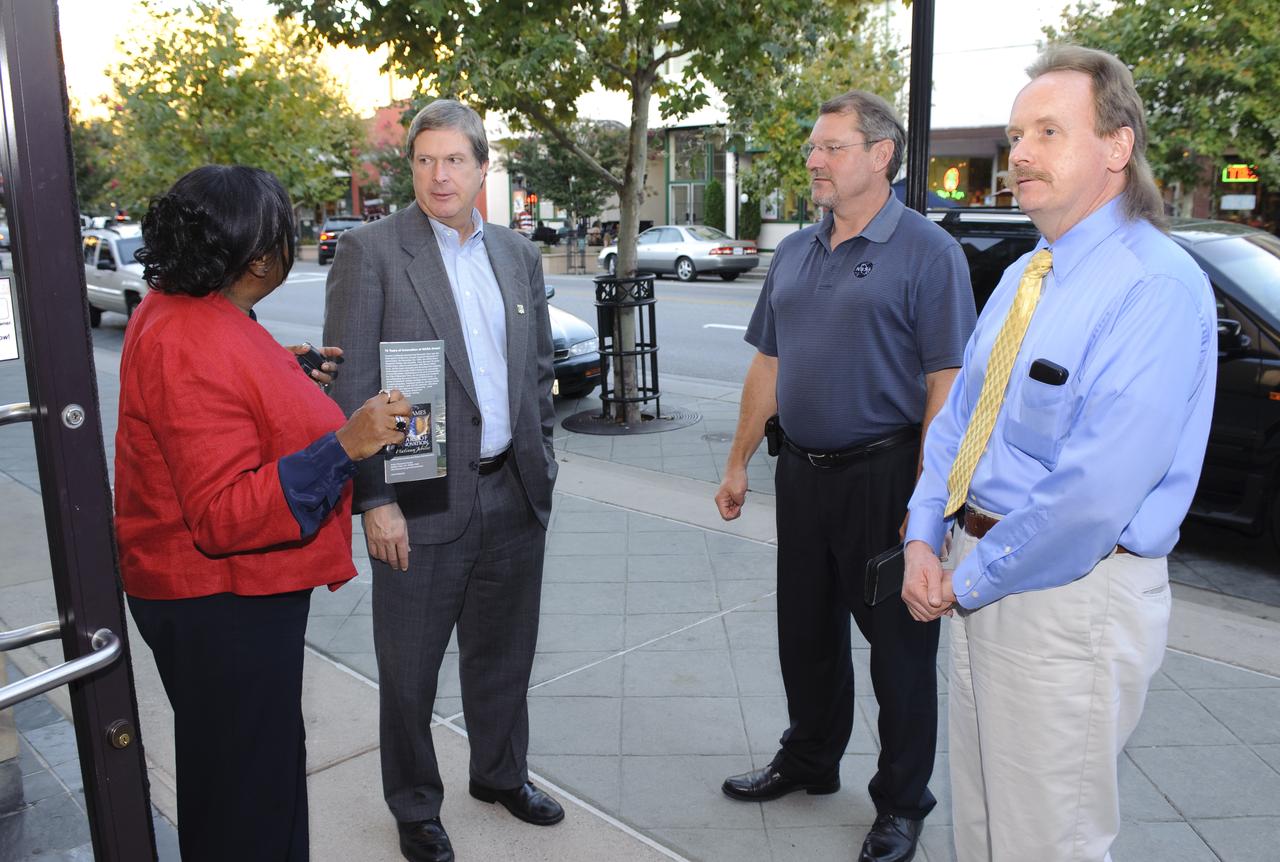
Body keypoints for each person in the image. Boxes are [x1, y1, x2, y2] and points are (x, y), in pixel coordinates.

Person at [902, 45, 1216, 861]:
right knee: (983, 830)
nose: (1023, 155)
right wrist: (922, 537)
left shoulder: (1155, 286)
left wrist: (965, 579)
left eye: (1049, 131)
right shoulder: (1025, 273)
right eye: (1015, 136)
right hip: (983, 573)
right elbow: (958, 421)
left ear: (1117, 147)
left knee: (1048, 841)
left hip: (1069, 595)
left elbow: (1093, 493)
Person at [115, 165, 410, 862]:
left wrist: (286, 374)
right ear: (256, 257)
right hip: (220, 605)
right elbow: (221, 512)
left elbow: (226, 397)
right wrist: (345, 443)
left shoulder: (187, 307)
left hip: (222, 605)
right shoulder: (186, 336)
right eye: (285, 235)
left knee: (250, 770)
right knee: (247, 792)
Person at [714, 91, 976, 862]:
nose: (814, 161)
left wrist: (928, 505)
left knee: (898, 652)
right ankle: (810, 759)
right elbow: (769, 363)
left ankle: (901, 803)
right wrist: (736, 462)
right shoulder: (795, 250)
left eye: (831, 148)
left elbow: (946, 385)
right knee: (805, 633)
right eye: (812, 149)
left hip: (887, 477)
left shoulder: (929, 252)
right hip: (801, 474)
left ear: (881, 154)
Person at [324, 99, 562, 862]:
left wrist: (542, 463)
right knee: (409, 670)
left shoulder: (516, 255)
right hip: (419, 499)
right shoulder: (372, 251)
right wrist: (375, 500)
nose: (438, 174)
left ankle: (499, 774)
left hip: (512, 491)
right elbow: (352, 388)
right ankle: (415, 806)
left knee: (504, 655)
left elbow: (537, 372)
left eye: (454, 159)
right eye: (424, 160)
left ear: (483, 168)